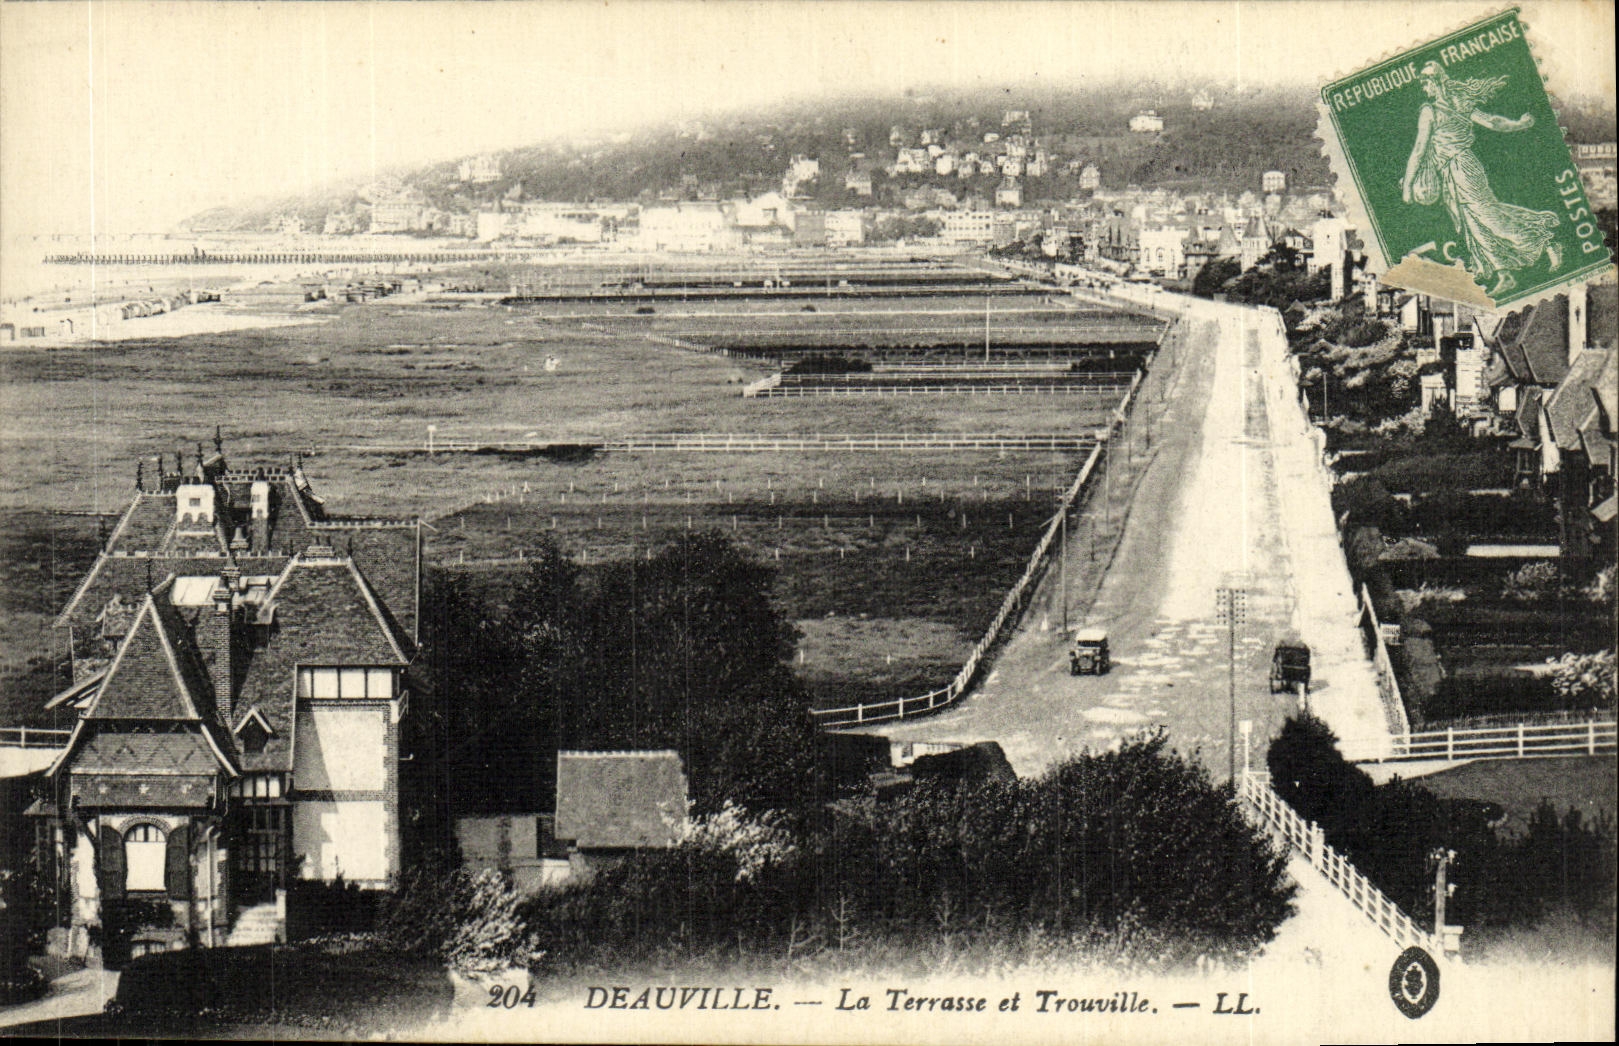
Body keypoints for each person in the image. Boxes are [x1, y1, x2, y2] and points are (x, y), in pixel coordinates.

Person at [1402, 61, 1561, 297]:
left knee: (1490, 217)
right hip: (1451, 174)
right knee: (1472, 224)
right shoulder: (1458, 104)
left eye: (1426, 83)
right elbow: (1493, 122)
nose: (1424, 89)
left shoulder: (1432, 111)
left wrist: (1407, 186)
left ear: (1436, 83)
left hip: (1462, 169)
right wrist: (1518, 124)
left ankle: (1546, 241)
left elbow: (1419, 149)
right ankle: (1504, 274)